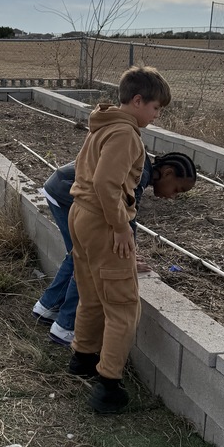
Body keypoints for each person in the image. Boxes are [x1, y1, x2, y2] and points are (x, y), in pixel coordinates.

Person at [66, 66, 173, 414]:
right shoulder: (126, 134)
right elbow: (106, 183)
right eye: (155, 108)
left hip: (81, 214)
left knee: (91, 294)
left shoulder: (104, 125)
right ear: (138, 101)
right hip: (102, 221)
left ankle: (83, 356)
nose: (156, 116)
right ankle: (108, 384)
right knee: (123, 305)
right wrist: (120, 226)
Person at [33, 151, 197, 345]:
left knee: (78, 255)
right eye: (176, 189)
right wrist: (127, 256)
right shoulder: (140, 172)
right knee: (87, 261)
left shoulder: (140, 164)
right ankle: (65, 327)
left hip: (62, 188)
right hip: (69, 195)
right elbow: (127, 216)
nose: (172, 196)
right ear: (168, 172)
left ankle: (47, 307)